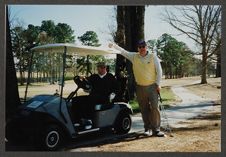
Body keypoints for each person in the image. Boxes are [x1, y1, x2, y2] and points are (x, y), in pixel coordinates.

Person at [109, 40, 164, 137]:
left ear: (146, 47)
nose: (142, 49)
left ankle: (156, 129)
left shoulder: (152, 56)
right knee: (144, 108)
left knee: (155, 107)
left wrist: (158, 84)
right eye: (140, 47)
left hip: (152, 86)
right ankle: (147, 129)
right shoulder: (134, 56)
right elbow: (123, 52)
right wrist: (114, 46)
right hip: (140, 87)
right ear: (138, 48)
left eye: (143, 46)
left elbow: (159, 71)